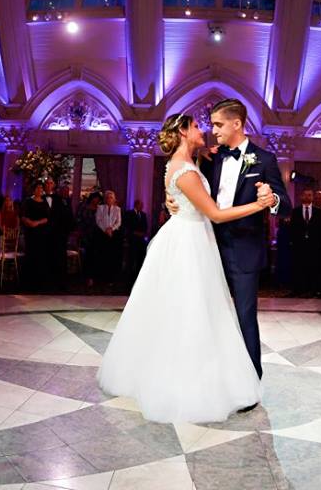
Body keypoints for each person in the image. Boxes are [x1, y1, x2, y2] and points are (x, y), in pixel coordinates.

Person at [98, 112, 274, 423]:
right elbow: (215, 214)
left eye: (212, 125)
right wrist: (259, 206)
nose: (204, 130)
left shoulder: (187, 163)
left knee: (188, 310)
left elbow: (185, 191)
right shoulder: (187, 170)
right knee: (190, 311)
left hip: (193, 236)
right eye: (196, 126)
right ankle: (187, 383)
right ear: (183, 131)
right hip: (190, 241)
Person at [182, 98, 291, 383]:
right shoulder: (211, 157)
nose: (213, 130)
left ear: (237, 123)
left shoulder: (265, 159)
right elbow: (198, 193)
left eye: (218, 124)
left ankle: (250, 380)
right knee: (207, 312)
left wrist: (272, 199)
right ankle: (209, 374)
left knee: (244, 314)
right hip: (209, 246)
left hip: (245, 250)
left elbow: (287, 205)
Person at [290, 188, 321, 297]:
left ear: (312, 197)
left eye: (309, 195)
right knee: (299, 267)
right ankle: (299, 289)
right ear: (301, 197)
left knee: (314, 267)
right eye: (305, 195)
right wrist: (293, 242)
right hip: (299, 245)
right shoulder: (295, 211)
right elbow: (293, 229)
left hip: (314, 245)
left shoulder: (319, 212)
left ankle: (313, 290)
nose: (307, 197)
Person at [21, 181, 51, 290]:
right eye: (37, 188)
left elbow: (47, 217)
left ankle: (40, 282)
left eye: (41, 188)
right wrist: (30, 223)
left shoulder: (44, 203)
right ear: (34, 189)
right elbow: (23, 216)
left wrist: (37, 223)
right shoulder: (28, 201)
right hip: (30, 232)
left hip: (41, 233)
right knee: (30, 254)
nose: (40, 190)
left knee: (40, 255)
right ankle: (28, 281)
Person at [96, 190, 123, 285]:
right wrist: (105, 230)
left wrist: (111, 229)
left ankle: (111, 278)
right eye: (107, 197)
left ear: (114, 199)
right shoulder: (100, 208)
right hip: (102, 234)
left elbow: (118, 222)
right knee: (103, 256)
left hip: (113, 235)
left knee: (112, 257)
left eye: (111, 197)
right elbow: (98, 220)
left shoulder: (117, 209)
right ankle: (101, 277)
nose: (109, 199)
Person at [123, 199, 149, 288]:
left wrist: (143, 233)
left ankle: (138, 277)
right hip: (132, 239)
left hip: (141, 241)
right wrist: (134, 233)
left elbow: (145, 227)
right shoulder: (129, 213)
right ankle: (128, 279)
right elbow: (127, 225)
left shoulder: (143, 215)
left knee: (140, 258)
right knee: (131, 259)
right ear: (136, 205)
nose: (142, 207)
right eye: (141, 204)